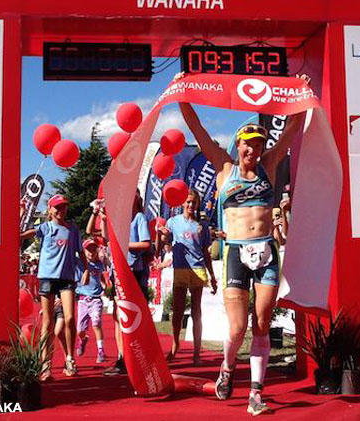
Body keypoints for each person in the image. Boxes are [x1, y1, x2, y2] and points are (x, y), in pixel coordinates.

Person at [179, 101, 303, 415]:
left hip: (266, 250)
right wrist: (183, 98)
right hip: (236, 250)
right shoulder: (224, 167)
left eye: (259, 145)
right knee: (237, 328)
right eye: (249, 144)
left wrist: (300, 98)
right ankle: (227, 367)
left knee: (261, 324)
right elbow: (197, 129)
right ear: (238, 144)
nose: (254, 150)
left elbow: (291, 130)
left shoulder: (269, 164)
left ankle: (256, 394)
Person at [20, 194, 89, 380]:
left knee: (70, 318)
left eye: (64, 207)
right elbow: (27, 233)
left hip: (67, 278)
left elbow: (80, 251)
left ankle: (70, 359)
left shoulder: (72, 229)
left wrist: (86, 270)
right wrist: (22, 214)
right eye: (57, 207)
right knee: (48, 322)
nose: (61, 210)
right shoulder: (46, 227)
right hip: (47, 277)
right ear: (50, 210)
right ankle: (45, 365)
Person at [157, 190, 217, 365]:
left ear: (198, 204)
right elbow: (163, 244)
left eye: (194, 202)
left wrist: (212, 276)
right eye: (188, 202)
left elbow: (206, 252)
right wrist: (161, 234)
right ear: (183, 203)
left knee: (196, 312)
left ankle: (197, 353)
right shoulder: (173, 222)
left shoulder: (202, 225)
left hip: (198, 269)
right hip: (180, 268)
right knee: (177, 311)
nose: (191, 205)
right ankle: (175, 346)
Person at [103, 189, 152, 376]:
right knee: (118, 315)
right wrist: (103, 217)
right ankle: (122, 357)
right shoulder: (119, 218)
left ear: (137, 199)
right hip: (118, 270)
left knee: (132, 316)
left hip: (133, 271)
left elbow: (146, 243)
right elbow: (107, 237)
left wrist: (124, 244)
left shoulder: (139, 218)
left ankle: (138, 357)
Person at [75, 238, 107, 364]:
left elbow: (101, 276)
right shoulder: (79, 263)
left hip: (96, 299)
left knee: (96, 323)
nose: (91, 252)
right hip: (83, 300)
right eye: (88, 250)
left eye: (94, 250)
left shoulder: (99, 264)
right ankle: (83, 340)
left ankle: (101, 350)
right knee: (80, 330)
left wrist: (104, 286)